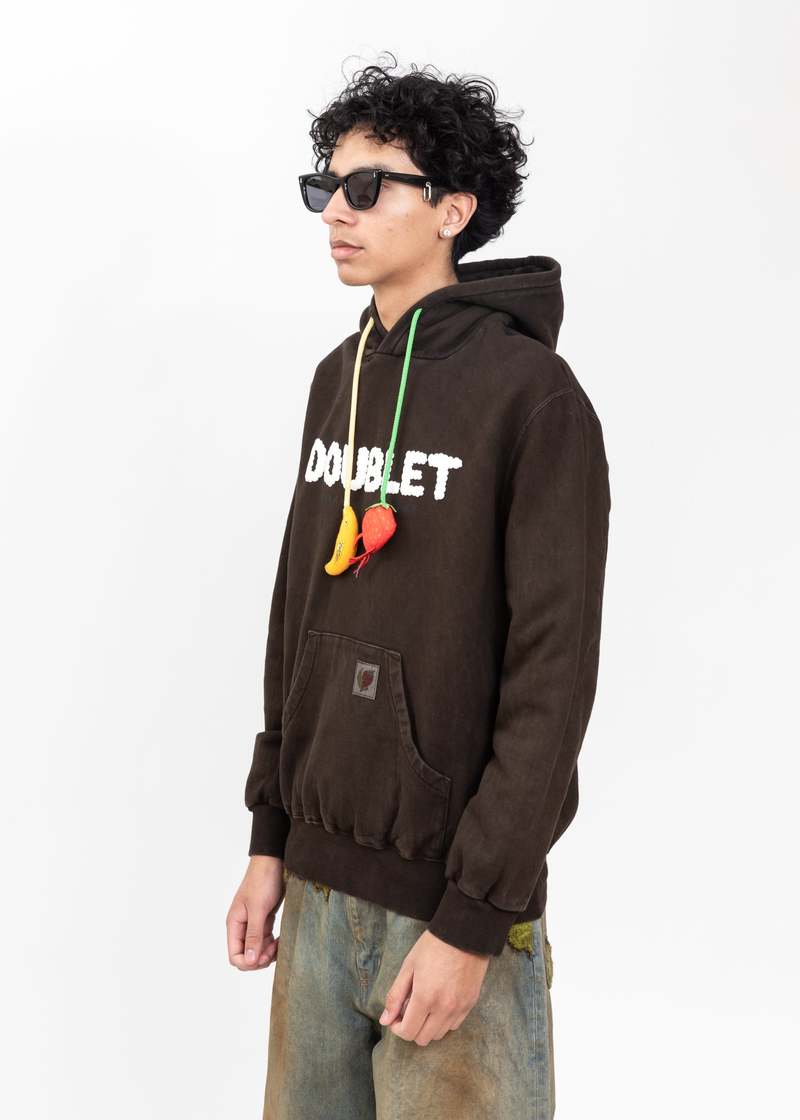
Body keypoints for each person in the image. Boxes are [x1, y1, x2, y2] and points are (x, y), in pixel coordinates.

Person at [227, 56, 610, 1120]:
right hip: (316, 891)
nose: (335, 212)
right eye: (325, 186)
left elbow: (552, 676)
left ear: (453, 208)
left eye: (366, 186)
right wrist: (268, 840)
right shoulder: (336, 378)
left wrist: (472, 918)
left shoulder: (533, 398)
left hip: (446, 912)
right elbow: (296, 619)